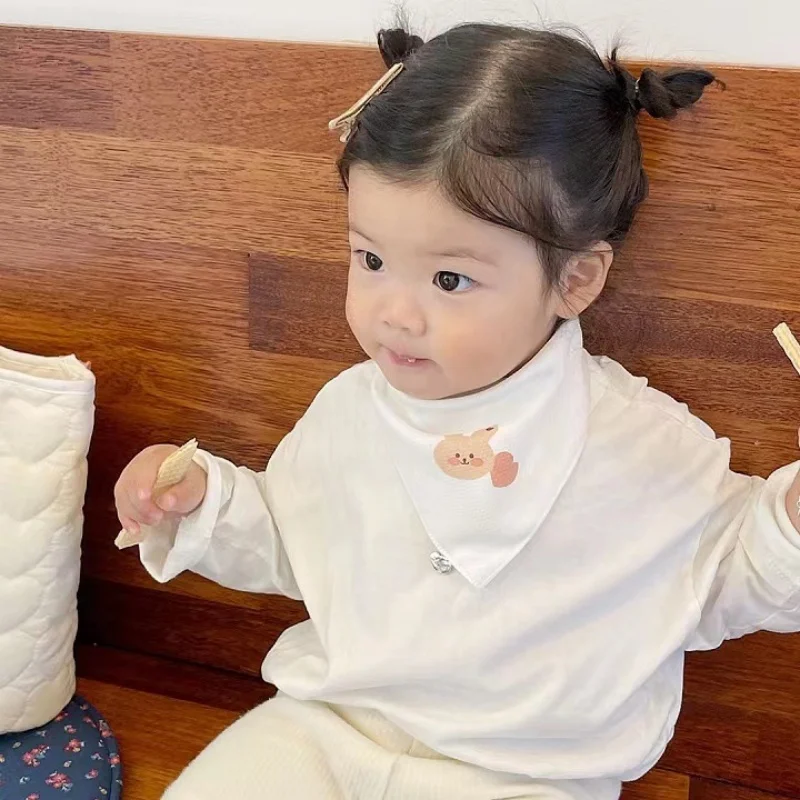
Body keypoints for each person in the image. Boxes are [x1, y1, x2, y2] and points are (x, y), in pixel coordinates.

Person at [114, 19, 800, 800]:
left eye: (448, 281)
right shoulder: (350, 408)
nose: (393, 315)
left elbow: (729, 573)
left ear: (576, 280)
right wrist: (199, 499)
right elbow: (293, 539)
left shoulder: (639, 442)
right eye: (370, 260)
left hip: (524, 774)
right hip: (329, 725)